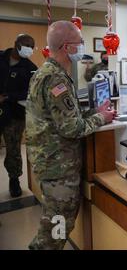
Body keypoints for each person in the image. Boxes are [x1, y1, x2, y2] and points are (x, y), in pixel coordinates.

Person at [26, 21, 116, 250]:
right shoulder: (56, 79)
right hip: (58, 166)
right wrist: (101, 119)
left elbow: (64, 116)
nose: (82, 47)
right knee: (56, 229)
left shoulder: (44, 72)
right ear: (67, 47)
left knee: (55, 223)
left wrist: (95, 112)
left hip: (50, 162)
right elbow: (72, 128)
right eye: (80, 43)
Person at [0, 34, 38, 198]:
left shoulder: (30, 67)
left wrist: (8, 96)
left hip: (15, 114)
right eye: (26, 44)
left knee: (14, 149)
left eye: (32, 45)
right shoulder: (1, 58)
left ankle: (14, 179)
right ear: (16, 44)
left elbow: (31, 91)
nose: (29, 47)